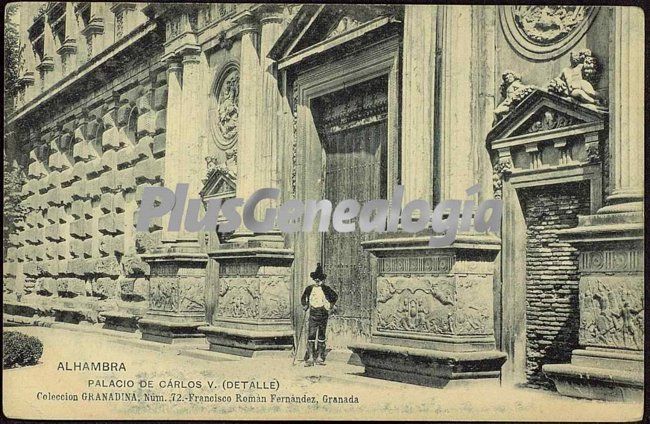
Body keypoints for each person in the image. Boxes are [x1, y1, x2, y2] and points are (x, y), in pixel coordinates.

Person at [300, 263, 338, 366]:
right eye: (315, 278)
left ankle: (320, 356)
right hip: (313, 313)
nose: (317, 280)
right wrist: (305, 305)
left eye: (319, 279)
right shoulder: (309, 288)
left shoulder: (326, 288)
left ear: (322, 279)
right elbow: (303, 298)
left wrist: (330, 305)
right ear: (313, 279)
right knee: (311, 335)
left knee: (321, 335)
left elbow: (334, 296)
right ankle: (311, 357)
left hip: (323, 314)